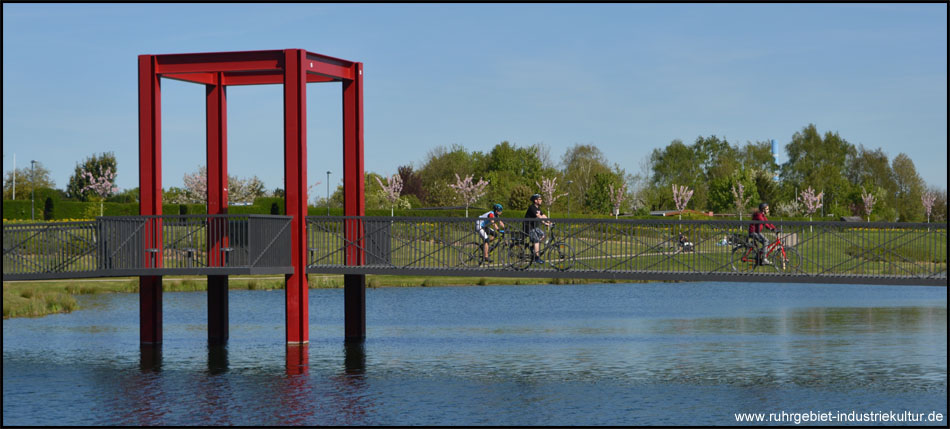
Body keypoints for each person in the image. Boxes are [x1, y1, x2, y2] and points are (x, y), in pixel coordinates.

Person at [524, 194, 551, 264]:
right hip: (528, 227)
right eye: (539, 199)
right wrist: (545, 223)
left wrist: (550, 221)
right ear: (535, 200)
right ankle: (537, 258)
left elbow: (543, 215)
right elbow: (538, 216)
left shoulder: (538, 208)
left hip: (534, 227)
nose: (541, 200)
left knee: (543, 235)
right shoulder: (532, 207)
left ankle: (533, 247)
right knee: (536, 240)